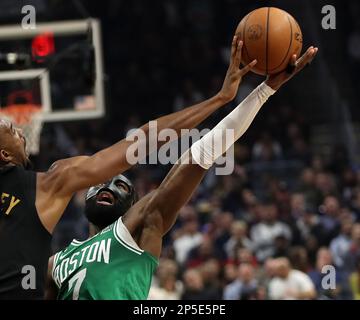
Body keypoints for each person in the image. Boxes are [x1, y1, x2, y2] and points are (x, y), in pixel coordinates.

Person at [45, 43, 318, 299]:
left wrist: (263, 90)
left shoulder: (141, 223)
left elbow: (200, 155)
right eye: (103, 182)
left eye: (122, 186)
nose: (110, 185)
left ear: (132, 206)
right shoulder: (55, 262)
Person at [0, 36, 254, 300]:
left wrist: (231, 98)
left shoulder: (135, 219)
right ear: (3, 154)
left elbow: (176, 150)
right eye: (7, 127)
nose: (15, 125)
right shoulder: (55, 262)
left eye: (120, 184)